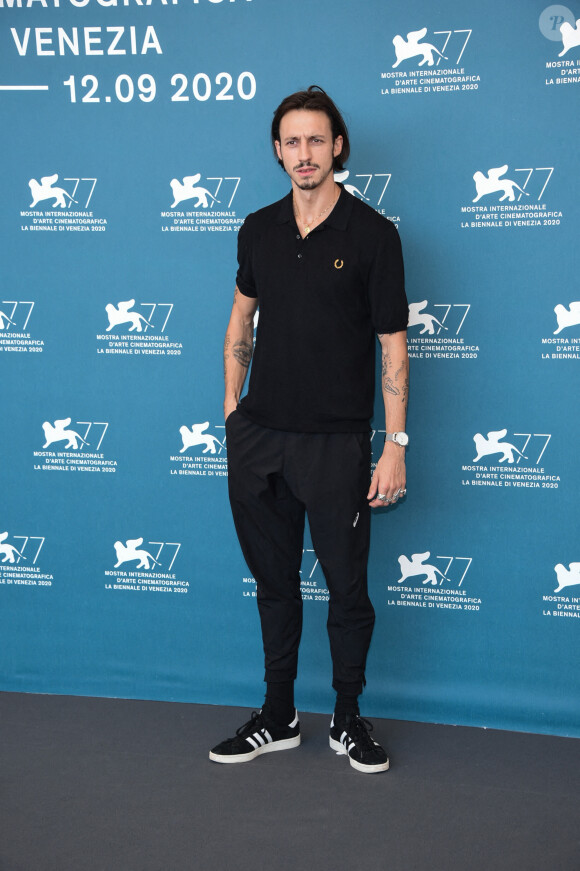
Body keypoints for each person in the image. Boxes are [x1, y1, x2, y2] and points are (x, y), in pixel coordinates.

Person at [210, 85, 409, 774]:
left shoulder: (375, 235)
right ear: (277, 150)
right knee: (274, 586)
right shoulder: (258, 229)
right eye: (291, 141)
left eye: (316, 140)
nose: (304, 154)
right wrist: (232, 411)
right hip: (260, 440)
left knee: (347, 589)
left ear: (338, 146)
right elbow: (240, 318)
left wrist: (395, 444)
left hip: (338, 446)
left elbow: (392, 347)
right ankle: (279, 714)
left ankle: (348, 716)